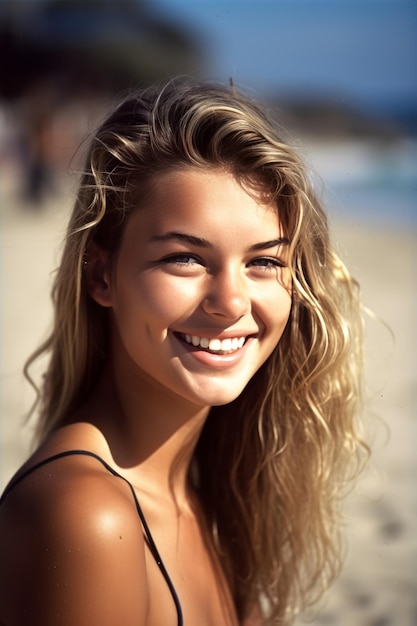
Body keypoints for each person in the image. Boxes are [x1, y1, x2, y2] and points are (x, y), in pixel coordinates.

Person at [0, 78, 367, 626]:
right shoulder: (86, 515)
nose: (231, 301)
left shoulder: (213, 494)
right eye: (185, 259)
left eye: (263, 262)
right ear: (102, 274)